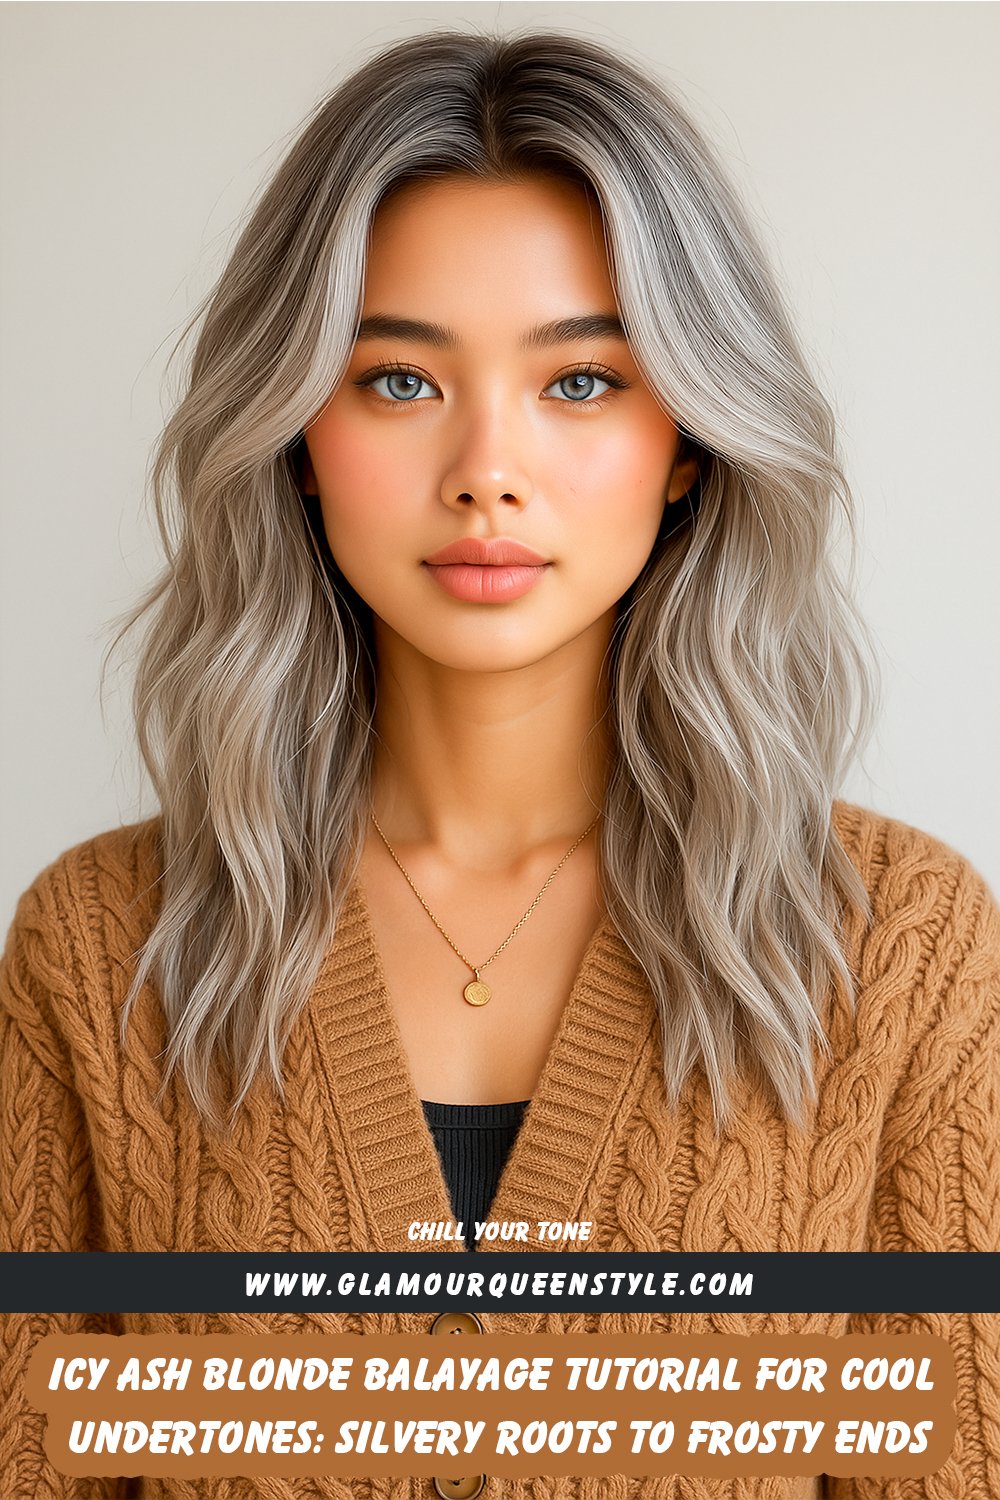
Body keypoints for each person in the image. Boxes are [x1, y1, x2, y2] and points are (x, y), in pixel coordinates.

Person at [1, 26, 997, 1500]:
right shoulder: (104, 948)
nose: (486, 468)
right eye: (400, 382)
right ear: (293, 436)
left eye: (580, 382)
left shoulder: (898, 948)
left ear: (689, 439)